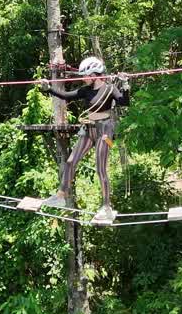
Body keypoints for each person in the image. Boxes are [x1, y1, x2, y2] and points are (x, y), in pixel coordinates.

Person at [38, 56, 130, 222]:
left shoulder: (110, 89)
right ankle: (61, 196)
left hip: (105, 131)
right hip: (88, 129)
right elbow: (66, 96)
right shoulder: (86, 91)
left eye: (86, 76)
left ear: (94, 75)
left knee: (101, 168)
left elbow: (124, 102)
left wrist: (125, 85)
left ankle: (106, 207)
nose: (84, 79)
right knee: (70, 161)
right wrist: (48, 88)